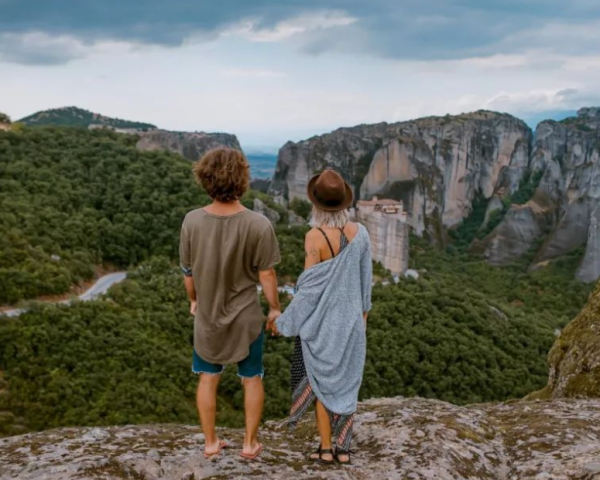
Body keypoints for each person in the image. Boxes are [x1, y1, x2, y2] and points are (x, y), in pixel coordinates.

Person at [179, 148, 281, 460]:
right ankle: (249, 445)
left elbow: (188, 273)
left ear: (205, 178)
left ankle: (211, 443)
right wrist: (275, 308)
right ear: (242, 179)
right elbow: (266, 273)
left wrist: (194, 300)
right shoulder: (259, 224)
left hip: (208, 317)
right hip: (246, 318)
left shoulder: (192, 221)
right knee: (252, 379)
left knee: (208, 379)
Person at [273, 169, 372, 465]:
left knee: (321, 387)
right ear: (344, 202)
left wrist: (283, 324)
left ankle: (326, 449)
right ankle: (344, 450)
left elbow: (308, 292)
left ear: (316, 204)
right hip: (353, 324)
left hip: (322, 327)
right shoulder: (361, 234)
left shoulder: (314, 237)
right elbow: (366, 283)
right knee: (346, 384)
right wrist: (362, 319)